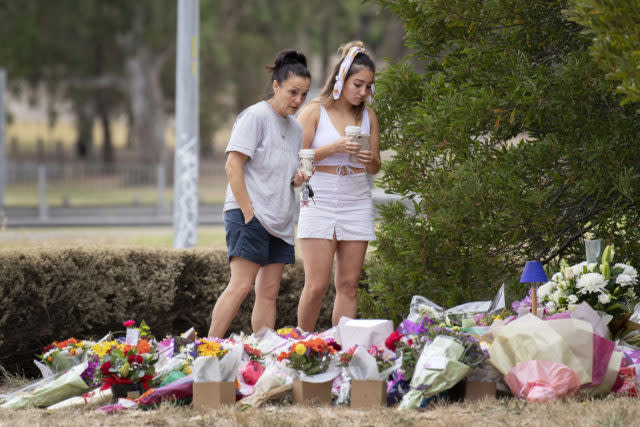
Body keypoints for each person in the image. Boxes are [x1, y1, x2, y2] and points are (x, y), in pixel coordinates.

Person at [208, 50, 311, 338]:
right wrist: (248, 212)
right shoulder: (255, 116)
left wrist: (297, 178)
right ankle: (205, 350)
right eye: (293, 92)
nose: (298, 100)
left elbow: (282, 174)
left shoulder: (296, 128)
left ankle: (261, 354)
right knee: (240, 286)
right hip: (248, 214)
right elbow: (232, 166)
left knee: (269, 293)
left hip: (280, 220)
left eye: (303, 94)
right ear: (276, 85)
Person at [296, 41, 381, 331]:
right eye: (358, 84)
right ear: (341, 79)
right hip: (320, 196)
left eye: (368, 87)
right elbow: (298, 157)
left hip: (356, 196)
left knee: (349, 285)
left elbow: (375, 166)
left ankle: (341, 348)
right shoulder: (314, 111)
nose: (363, 92)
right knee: (317, 285)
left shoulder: (368, 116)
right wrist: (334, 147)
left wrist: (370, 160)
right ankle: (302, 346)